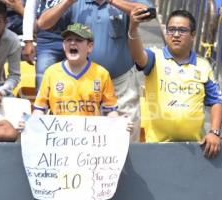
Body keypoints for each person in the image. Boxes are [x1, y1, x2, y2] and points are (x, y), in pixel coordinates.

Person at [36, 0, 151, 140]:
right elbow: (43, 23)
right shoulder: (76, 3)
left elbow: (147, 11)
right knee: (87, 140)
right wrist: (67, 2)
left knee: (126, 134)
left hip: (121, 81)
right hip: (85, 85)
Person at [128, 9, 222, 158]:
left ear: (193, 35)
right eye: (171, 30)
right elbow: (138, 55)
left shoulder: (203, 66)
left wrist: (215, 132)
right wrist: (133, 29)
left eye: (182, 30)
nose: (176, 34)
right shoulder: (155, 57)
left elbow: (216, 101)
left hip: (195, 148)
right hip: (155, 147)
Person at [33, 23, 118, 117]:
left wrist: (121, 123)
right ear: (64, 45)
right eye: (69, 40)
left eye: (79, 40)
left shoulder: (101, 73)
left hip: (89, 130)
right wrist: (29, 124)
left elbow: (110, 110)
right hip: (59, 130)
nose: (73, 43)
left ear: (90, 47)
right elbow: (40, 109)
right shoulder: (51, 72)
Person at [22, 0, 66, 91]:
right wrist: (28, 40)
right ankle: (42, 105)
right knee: (43, 79)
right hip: (47, 41)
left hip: (75, 38)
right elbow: (31, 8)